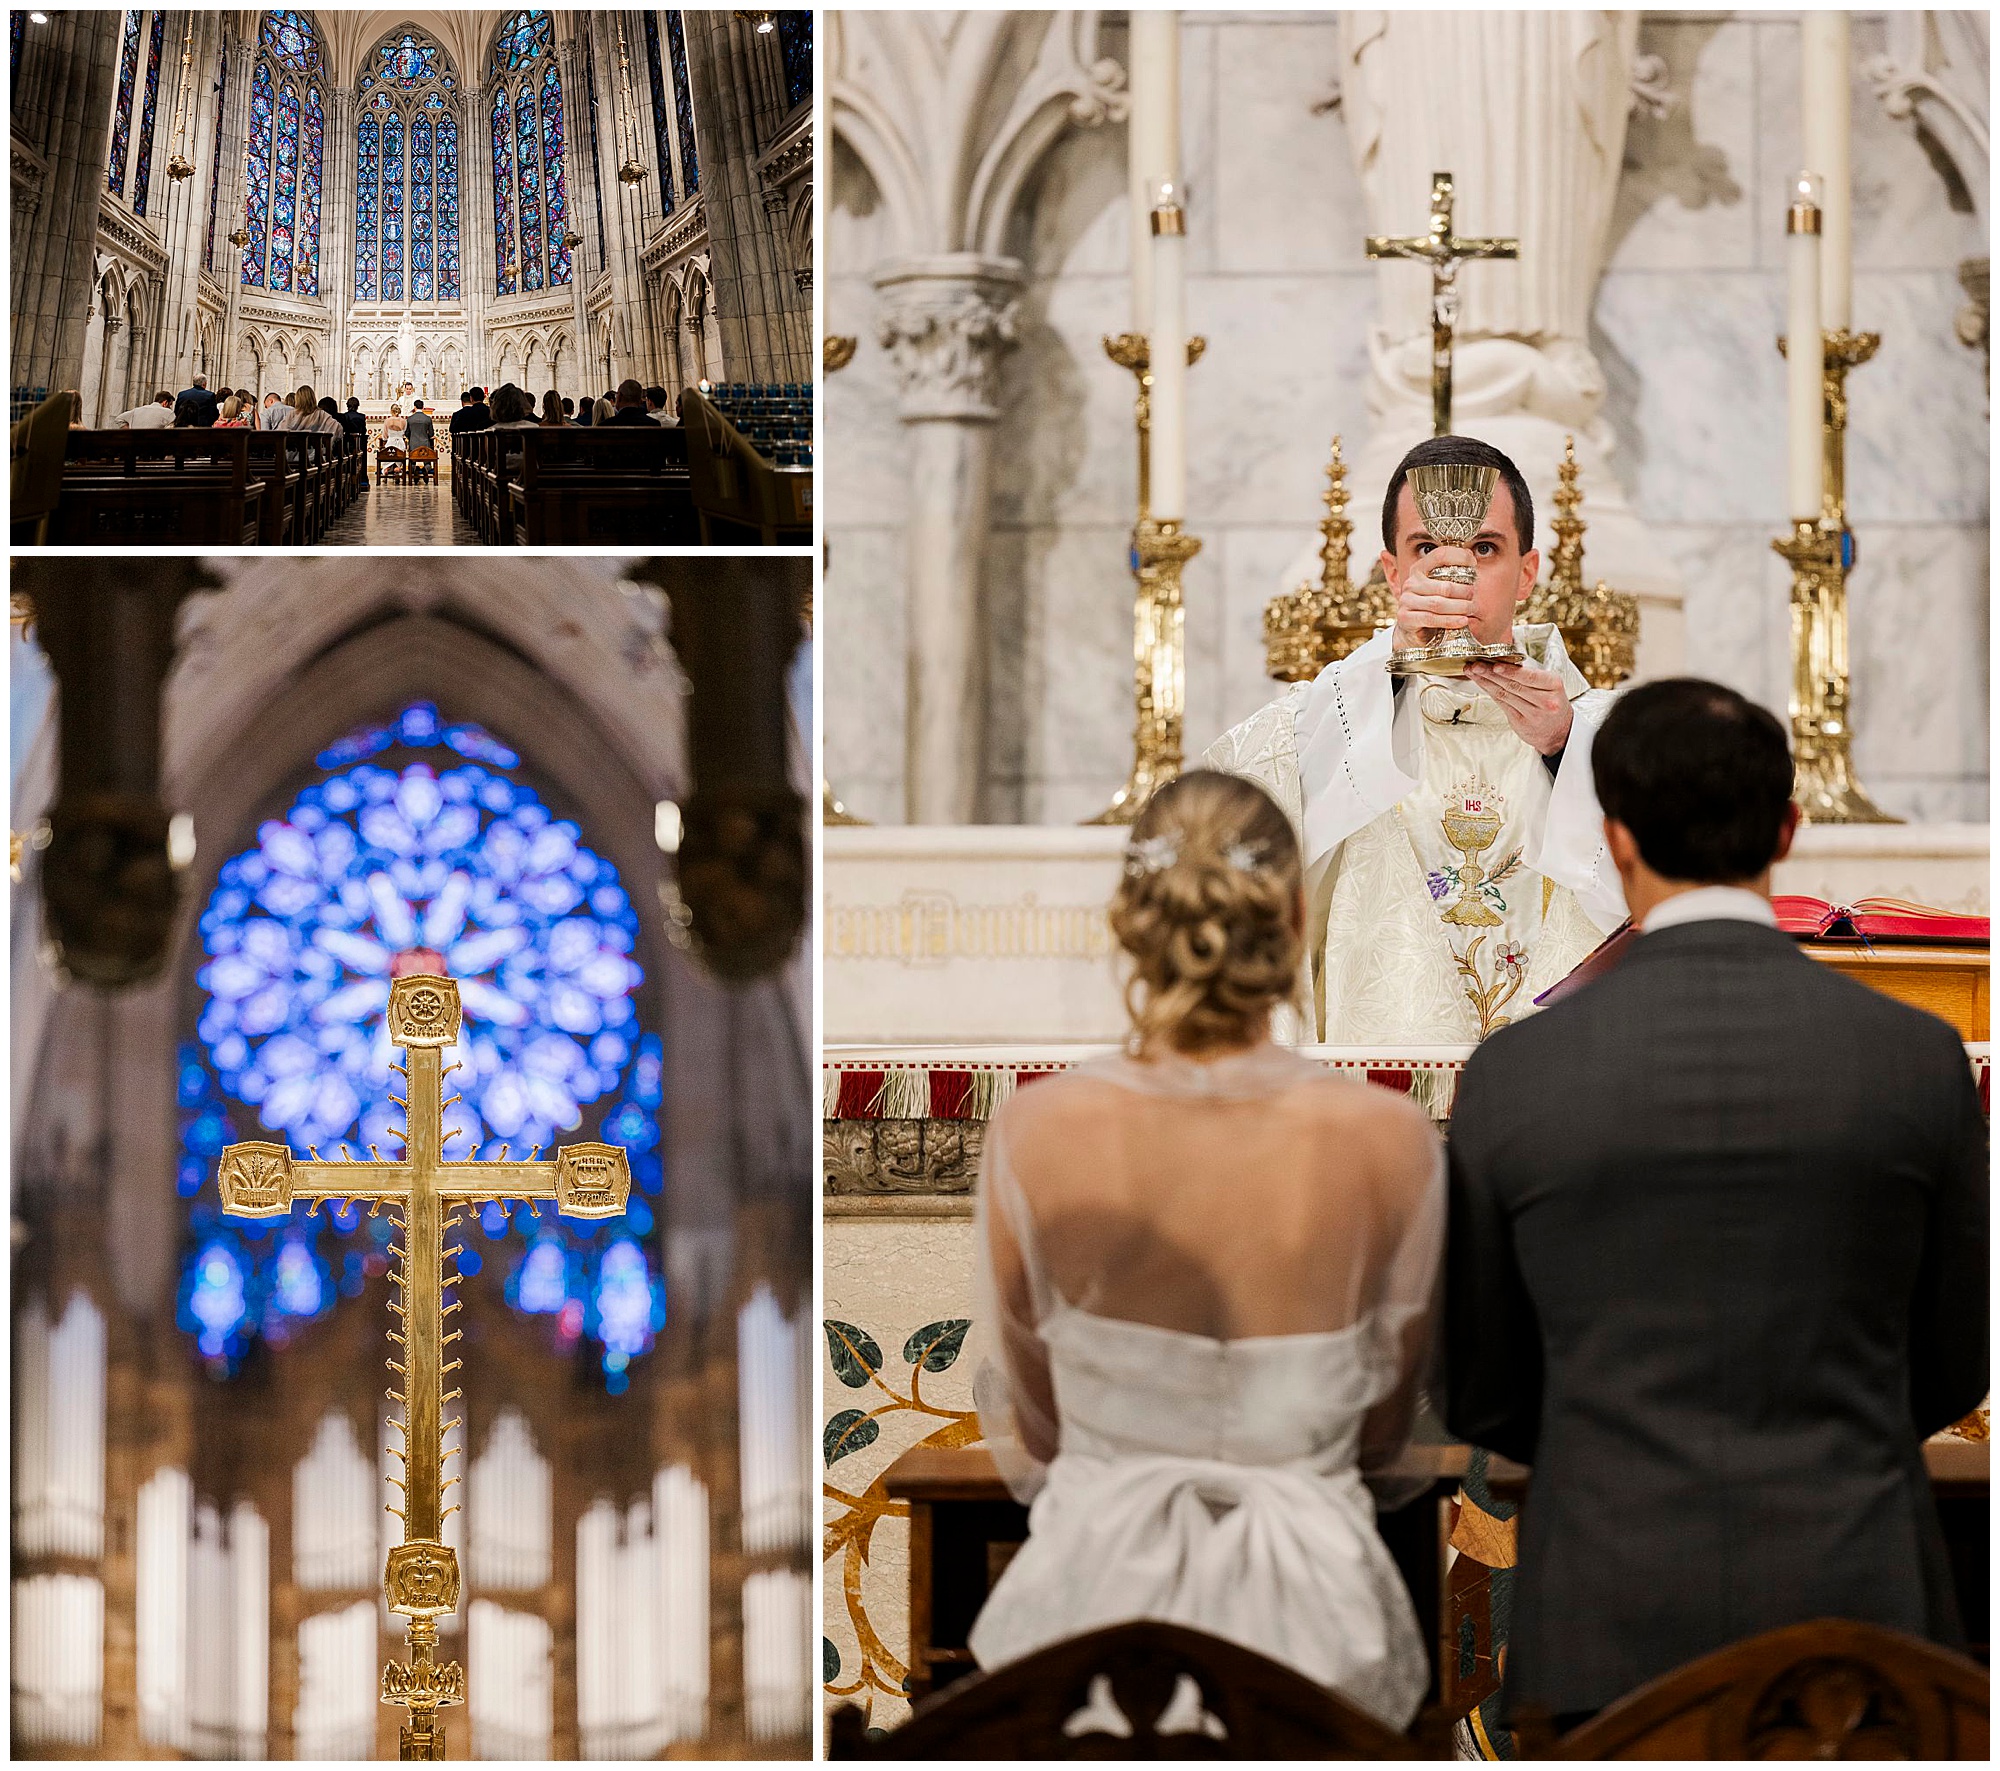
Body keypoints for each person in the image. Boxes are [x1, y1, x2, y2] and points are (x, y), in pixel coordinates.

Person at [1445, 678, 1989, 1732]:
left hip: (1606, 1614)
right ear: (1785, 828)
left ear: (1611, 838)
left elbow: (1482, 1384)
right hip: (1857, 1620)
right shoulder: (1914, 1058)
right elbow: (1957, 1355)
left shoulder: (1514, 1074)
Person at [968, 770, 1445, 1727]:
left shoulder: (1036, 1129)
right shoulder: (1389, 1139)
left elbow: (1043, 1428)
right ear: (1296, 918)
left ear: (1132, 919)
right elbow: (1389, 1439)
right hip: (1316, 1627)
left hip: (1096, 1617)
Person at [1205, 435, 1626, 1044]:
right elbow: (1231, 835)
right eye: (1426, 548)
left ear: (1527, 573)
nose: (1453, 578)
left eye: (1485, 548)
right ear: (1392, 573)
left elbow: (1669, 900)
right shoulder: (1333, 717)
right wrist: (1392, 669)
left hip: (1559, 1087)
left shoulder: (1609, 732)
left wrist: (1567, 749)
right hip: (1382, 1094)